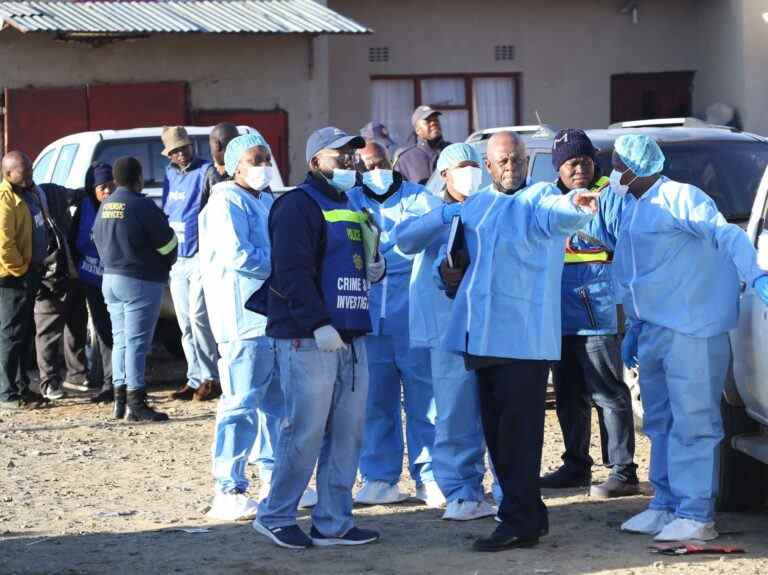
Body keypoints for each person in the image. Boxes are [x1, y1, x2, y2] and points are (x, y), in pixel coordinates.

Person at [439, 131, 599, 552]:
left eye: (517, 160)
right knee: (496, 436)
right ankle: (525, 517)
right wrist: (448, 270)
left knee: (519, 437)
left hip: (523, 342)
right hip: (483, 339)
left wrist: (576, 205)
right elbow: (453, 254)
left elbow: (557, 211)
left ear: (527, 163)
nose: (510, 167)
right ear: (488, 166)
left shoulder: (538, 196)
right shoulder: (478, 205)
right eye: (502, 161)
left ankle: (519, 520)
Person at [611, 134, 768, 542]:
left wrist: (755, 274)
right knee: (660, 422)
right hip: (654, 329)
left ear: (638, 165)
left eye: (617, 163)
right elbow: (630, 272)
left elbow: (726, 235)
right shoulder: (632, 207)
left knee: (694, 422)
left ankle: (696, 513)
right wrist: (634, 325)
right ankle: (664, 504)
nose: (613, 172)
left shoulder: (682, 198)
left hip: (692, 330)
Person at [253, 127, 385, 549]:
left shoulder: (349, 203)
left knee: (348, 432)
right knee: (305, 430)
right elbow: (290, 272)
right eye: (339, 157)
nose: (349, 163)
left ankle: (333, 521)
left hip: (350, 333)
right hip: (307, 337)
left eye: (352, 156)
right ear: (315, 163)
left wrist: (374, 267)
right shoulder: (296, 205)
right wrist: (317, 323)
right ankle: (275, 514)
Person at [394, 142, 499, 520]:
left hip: (489, 326)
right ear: (444, 174)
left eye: (476, 165)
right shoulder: (428, 207)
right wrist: (444, 217)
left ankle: (504, 491)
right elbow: (403, 240)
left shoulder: (491, 205)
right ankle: (460, 492)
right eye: (463, 167)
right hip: (446, 330)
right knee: (454, 412)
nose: (472, 173)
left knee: (497, 411)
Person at [540, 129, 639, 498]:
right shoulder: (549, 198)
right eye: (569, 162)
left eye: (583, 159)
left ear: (593, 160)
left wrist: (581, 220)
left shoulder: (610, 196)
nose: (578, 167)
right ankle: (576, 466)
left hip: (597, 308)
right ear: (558, 169)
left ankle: (623, 470)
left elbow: (620, 240)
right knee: (568, 393)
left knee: (608, 391)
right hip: (559, 313)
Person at [347, 141, 442, 508]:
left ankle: (430, 476)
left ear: (393, 161)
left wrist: (390, 261)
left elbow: (432, 241)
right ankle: (378, 477)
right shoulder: (351, 200)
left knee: (425, 400)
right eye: (367, 164)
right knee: (375, 402)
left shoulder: (420, 198)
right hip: (368, 322)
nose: (375, 169)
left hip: (413, 318)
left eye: (380, 161)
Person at [198, 132, 283, 520]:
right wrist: (285, 264)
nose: (263, 165)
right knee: (240, 403)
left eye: (266, 157)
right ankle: (228, 487)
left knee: (275, 406)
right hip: (242, 320)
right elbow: (238, 254)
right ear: (235, 165)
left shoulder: (264, 199)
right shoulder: (225, 201)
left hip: (271, 318)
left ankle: (273, 476)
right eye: (255, 158)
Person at [93, 156, 178, 422]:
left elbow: (95, 238)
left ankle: (119, 402)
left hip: (110, 280)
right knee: (137, 344)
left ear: (116, 179)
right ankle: (137, 403)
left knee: (120, 340)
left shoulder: (106, 204)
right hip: (140, 282)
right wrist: (165, 261)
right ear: (138, 178)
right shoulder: (142, 205)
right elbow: (168, 245)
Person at [161, 126, 220, 402]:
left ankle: (212, 377)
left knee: (199, 317)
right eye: (175, 151)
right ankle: (194, 377)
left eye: (183, 148)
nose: (181, 154)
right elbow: (166, 210)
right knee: (184, 322)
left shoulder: (207, 172)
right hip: (177, 257)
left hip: (199, 255)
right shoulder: (169, 174)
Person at [0, 152, 48, 410]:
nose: (30, 174)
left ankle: (21, 387)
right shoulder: (4, 200)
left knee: (23, 333)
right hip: (12, 277)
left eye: (30, 169)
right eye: (24, 171)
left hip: (30, 273)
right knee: (11, 334)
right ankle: (7, 393)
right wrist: (21, 271)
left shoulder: (28, 193)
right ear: (9, 174)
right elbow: (4, 245)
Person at [33, 181, 88, 400]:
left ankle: (76, 375)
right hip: (48, 282)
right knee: (48, 333)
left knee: (76, 327)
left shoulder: (54, 198)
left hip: (71, 276)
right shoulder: (33, 217)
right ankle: (49, 382)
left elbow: (79, 195)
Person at [71, 163, 116, 404]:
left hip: (120, 280)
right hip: (92, 280)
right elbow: (73, 241)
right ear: (92, 189)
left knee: (121, 333)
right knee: (102, 332)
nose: (107, 191)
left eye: (110, 185)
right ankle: (109, 383)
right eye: (101, 187)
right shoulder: (85, 208)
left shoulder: (122, 205)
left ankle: (124, 382)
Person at [394, 105, 450, 185]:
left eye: (435, 119)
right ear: (417, 130)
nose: (433, 123)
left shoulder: (452, 152)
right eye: (428, 121)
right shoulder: (405, 160)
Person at [202, 123, 240, 204]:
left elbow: (202, 210)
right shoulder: (251, 170)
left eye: (210, 146)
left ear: (216, 145)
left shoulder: (212, 174)